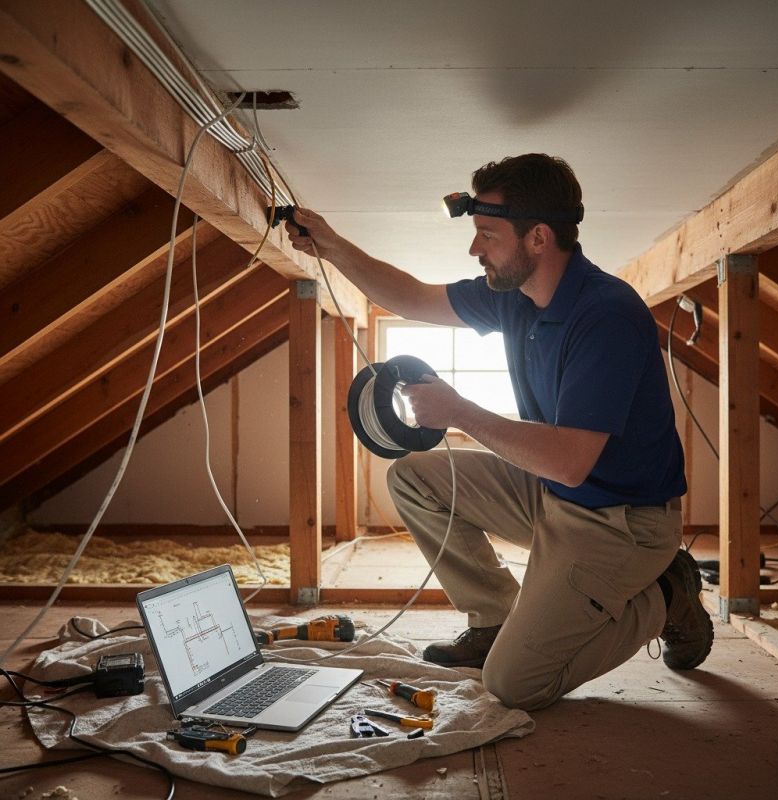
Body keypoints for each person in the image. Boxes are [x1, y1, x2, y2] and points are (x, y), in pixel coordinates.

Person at [286, 153, 713, 710]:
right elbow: (412, 297)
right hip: (553, 495)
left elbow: (569, 462)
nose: (474, 249)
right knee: (415, 478)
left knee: (514, 684)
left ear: (538, 238)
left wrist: (459, 411)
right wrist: (331, 245)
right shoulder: (513, 298)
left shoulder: (605, 315)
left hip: (621, 521)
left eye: (487, 233)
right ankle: (493, 619)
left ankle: (666, 591)